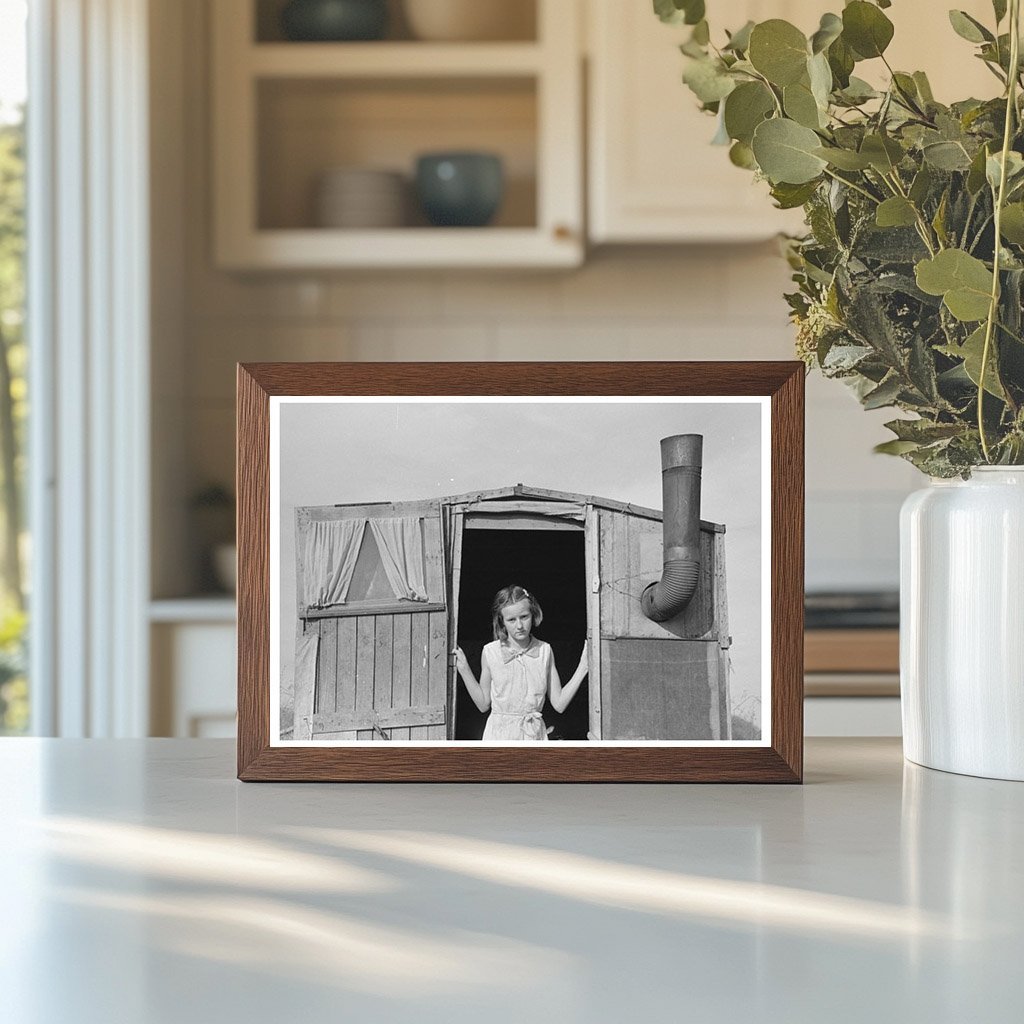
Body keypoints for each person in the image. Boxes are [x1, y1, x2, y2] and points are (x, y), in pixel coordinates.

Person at [454, 584, 588, 741]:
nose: (519, 625)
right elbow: (483, 704)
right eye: (511, 620)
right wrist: (464, 668)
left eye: (524, 617)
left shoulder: (545, 650)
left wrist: (583, 667)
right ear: (502, 621)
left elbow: (559, 704)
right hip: (499, 735)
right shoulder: (491, 652)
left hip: (534, 735)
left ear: (533, 614)